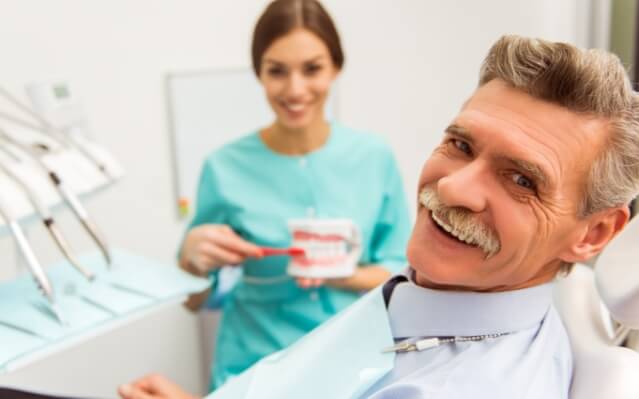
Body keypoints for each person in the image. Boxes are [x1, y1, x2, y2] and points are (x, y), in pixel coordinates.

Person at [119, 34, 639, 399]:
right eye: (459, 143)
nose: (452, 187)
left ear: (593, 233)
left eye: (521, 179)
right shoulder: (431, 294)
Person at [174, 0, 411, 392]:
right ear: (259, 74)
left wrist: (345, 274)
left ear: (336, 67)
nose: (295, 89)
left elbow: (404, 275)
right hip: (253, 372)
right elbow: (194, 301)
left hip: (353, 368)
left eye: (312, 69)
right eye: (277, 71)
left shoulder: (373, 157)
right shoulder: (223, 167)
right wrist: (190, 264)